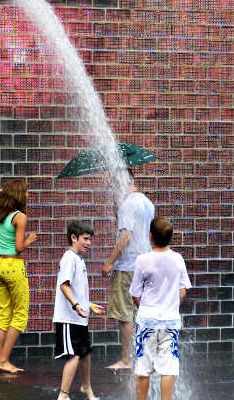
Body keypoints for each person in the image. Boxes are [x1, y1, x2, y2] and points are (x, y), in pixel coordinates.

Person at [130, 217, 191, 400]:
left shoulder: (142, 260)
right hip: (170, 322)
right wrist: (171, 304)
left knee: (143, 369)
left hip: (146, 321)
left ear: (150, 236)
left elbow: (135, 293)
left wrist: (144, 308)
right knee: (168, 369)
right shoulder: (178, 259)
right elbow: (183, 289)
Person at [101, 167, 155, 369]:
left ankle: (126, 359)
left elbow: (126, 237)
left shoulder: (128, 205)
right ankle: (146, 356)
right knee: (142, 313)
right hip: (146, 264)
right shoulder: (147, 203)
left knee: (126, 315)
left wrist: (110, 262)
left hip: (127, 267)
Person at [53, 220, 105, 400]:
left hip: (79, 317)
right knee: (74, 355)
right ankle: (63, 395)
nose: (89, 243)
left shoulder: (78, 259)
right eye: (86, 239)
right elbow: (64, 286)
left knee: (85, 353)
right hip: (68, 317)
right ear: (73, 238)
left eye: (91, 239)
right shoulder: (69, 258)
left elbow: (77, 289)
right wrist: (76, 306)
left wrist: (89, 306)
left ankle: (86, 387)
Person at [0, 179, 37, 373]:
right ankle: (3, 360)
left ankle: (1, 359)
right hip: (13, 265)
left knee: (4, 314)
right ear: (20, 194)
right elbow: (18, 248)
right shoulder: (20, 217)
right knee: (20, 315)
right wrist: (30, 239)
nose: (29, 195)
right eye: (27, 192)